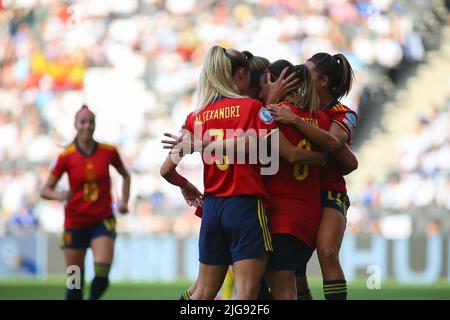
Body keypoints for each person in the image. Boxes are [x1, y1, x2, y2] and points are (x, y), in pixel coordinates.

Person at [160, 46, 324, 300]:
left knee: (202, 292)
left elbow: (166, 170)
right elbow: (260, 143)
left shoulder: (196, 116)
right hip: (245, 206)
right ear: (241, 74)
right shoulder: (251, 108)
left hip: (212, 209)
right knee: (246, 293)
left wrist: (185, 185)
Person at [269, 52, 358, 300]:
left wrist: (296, 121)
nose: (299, 77)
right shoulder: (294, 107)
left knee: (328, 252)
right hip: (299, 196)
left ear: (324, 81)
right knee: (295, 269)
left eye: (306, 73)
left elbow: (332, 142)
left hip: (329, 191)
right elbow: (350, 162)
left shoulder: (342, 113)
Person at [40, 105, 131, 300]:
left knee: (101, 275)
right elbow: (45, 190)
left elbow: (125, 175)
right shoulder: (66, 156)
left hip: (102, 221)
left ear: (95, 125)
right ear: (75, 125)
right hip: (75, 223)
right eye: (83, 122)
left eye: (90, 122)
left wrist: (124, 201)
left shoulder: (109, 151)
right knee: (75, 283)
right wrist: (60, 195)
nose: (87, 126)